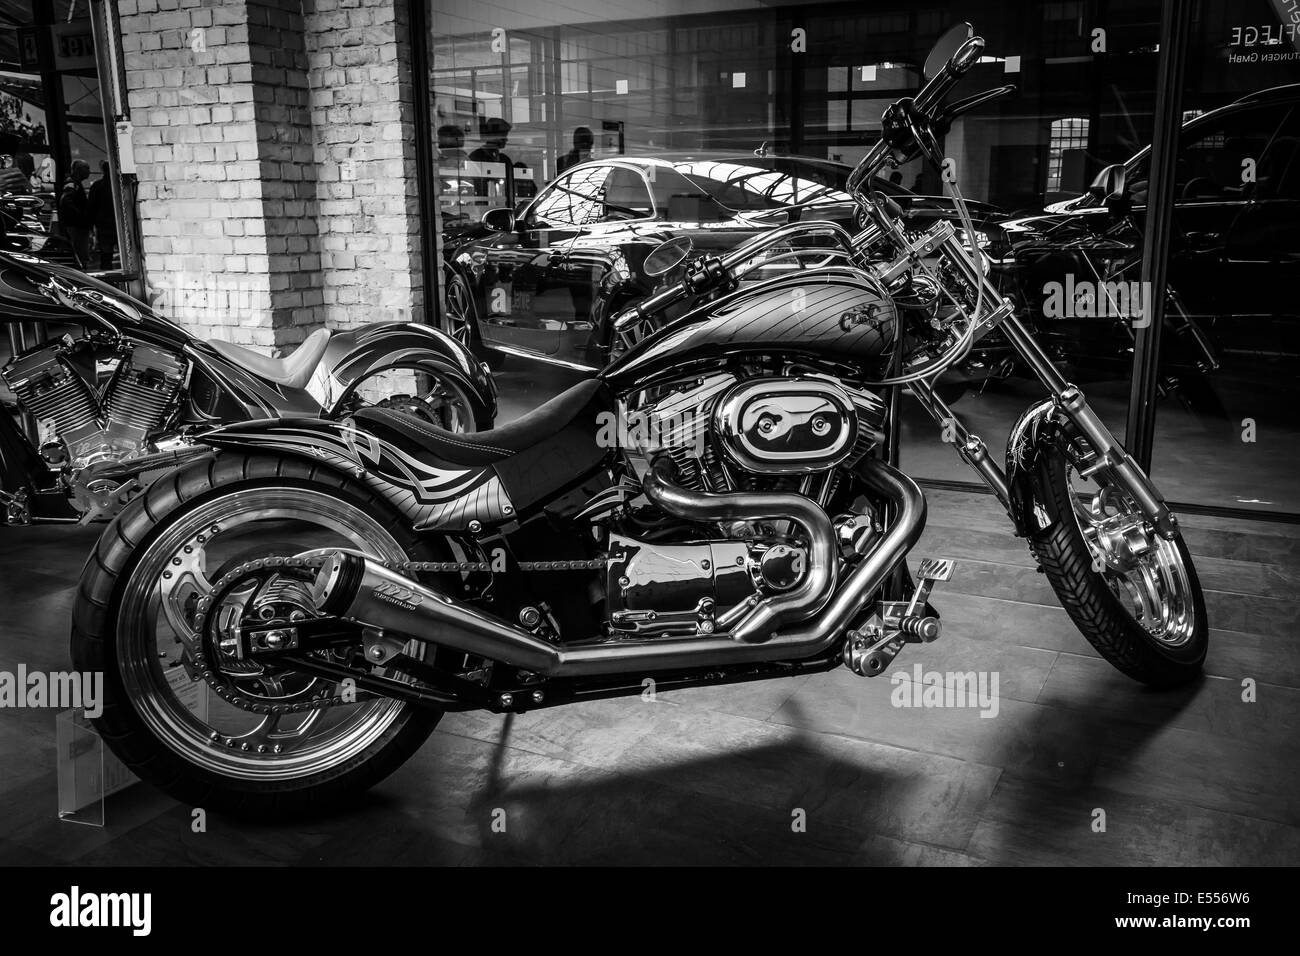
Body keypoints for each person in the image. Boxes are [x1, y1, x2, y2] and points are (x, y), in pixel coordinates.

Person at [58, 159, 93, 269]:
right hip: (76, 225)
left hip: (78, 224)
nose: (89, 172)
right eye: (87, 169)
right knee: (79, 250)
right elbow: (66, 201)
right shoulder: (71, 183)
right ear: (79, 170)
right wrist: (81, 216)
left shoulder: (76, 183)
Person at [469, 117, 515, 201]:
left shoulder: (505, 159)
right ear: (493, 136)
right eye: (503, 135)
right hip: (482, 202)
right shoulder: (476, 157)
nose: (506, 139)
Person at [88, 161, 116, 270]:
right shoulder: (117, 184)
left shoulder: (97, 186)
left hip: (103, 226)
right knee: (128, 254)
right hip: (116, 224)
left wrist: (91, 225)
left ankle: (109, 280)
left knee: (106, 255)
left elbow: (91, 207)